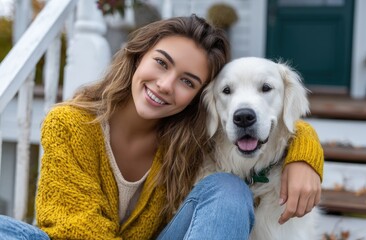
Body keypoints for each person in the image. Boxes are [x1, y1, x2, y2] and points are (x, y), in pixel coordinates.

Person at [0, 14, 323, 239]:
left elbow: (266, 121)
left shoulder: (189, 138)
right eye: (161, 63)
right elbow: (72, 228)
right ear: (138, 55)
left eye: (187, 81)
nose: (166, 84)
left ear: (199, 98)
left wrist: (306, 154)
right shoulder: (68, 124)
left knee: (229, 190)